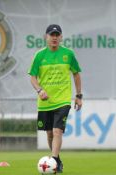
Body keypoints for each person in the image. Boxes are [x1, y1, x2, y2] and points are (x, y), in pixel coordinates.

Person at [28, 24, 82, 173]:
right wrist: (40, 90)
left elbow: (76, 74)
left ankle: (55, 160)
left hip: (63, 100)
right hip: (45, 102)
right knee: (50, 133)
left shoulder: (68, 54)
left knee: (57, 131)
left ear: (61, 37)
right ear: (46, 37)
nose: (55, 37)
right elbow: (32, 77)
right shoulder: (39, 55)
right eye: (52, 35)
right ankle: (56, 158)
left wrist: (78, 95)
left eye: (57, 35)